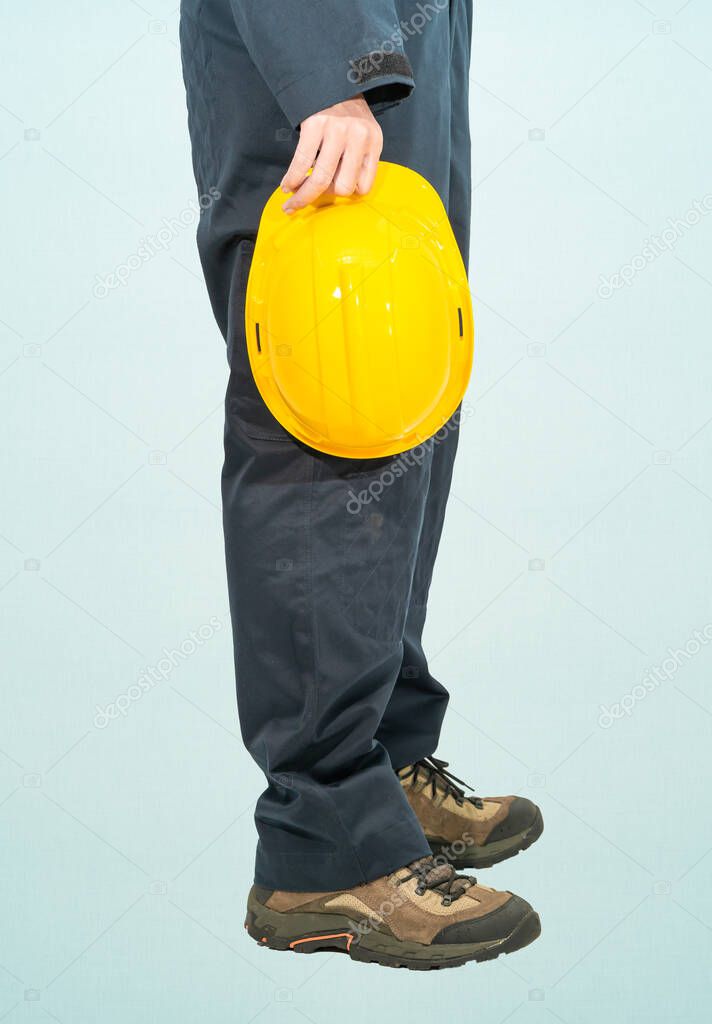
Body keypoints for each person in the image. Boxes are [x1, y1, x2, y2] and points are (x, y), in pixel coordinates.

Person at [179, 0, 543, 969]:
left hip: (404, 40)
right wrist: (332, 71)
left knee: (404, 399)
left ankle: (379, 758)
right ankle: (324, 838)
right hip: (323, 49)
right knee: (330, 417)